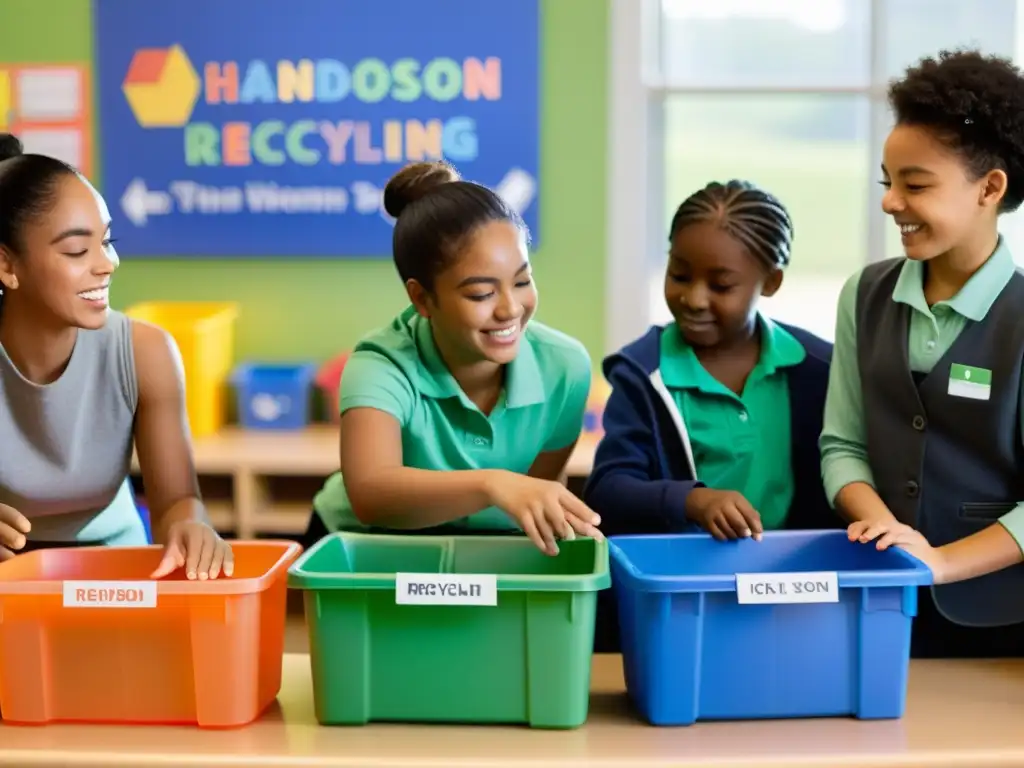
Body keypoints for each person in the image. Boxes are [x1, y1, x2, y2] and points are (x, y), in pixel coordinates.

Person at [820, 50, 1024, 658]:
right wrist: (884, 527)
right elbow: (843, 445)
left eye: (915, 184)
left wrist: (939, 562)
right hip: (879, 604)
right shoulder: (865, 294)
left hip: (1001, 627)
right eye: (888, 182)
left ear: (990, 188)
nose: (890, 203)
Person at [583, 180, 837, 651]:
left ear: (771, 282)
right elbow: (608, 489)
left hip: (795, 600)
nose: (695, 298)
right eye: (679, 275)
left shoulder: (820, 369)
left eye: (721, 285)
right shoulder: (644, 374)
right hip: (684, 602)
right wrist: (692, 500)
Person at [302, 161, 602, 554]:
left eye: (523, 281)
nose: (510, 309)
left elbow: (540, 490)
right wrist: (492, 482)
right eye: (481, 294)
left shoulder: (565, 368)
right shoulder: (378, 365)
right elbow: (370, 493)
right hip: (367, 544)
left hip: (492, 545)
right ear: (422, 298)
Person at [0, 133, 232, 579]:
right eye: (76, 250)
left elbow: (178, 500)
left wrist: (191, 526)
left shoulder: (147, 352)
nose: (108, 263)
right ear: (7, 266)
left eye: (107, 241)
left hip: (114, 573)